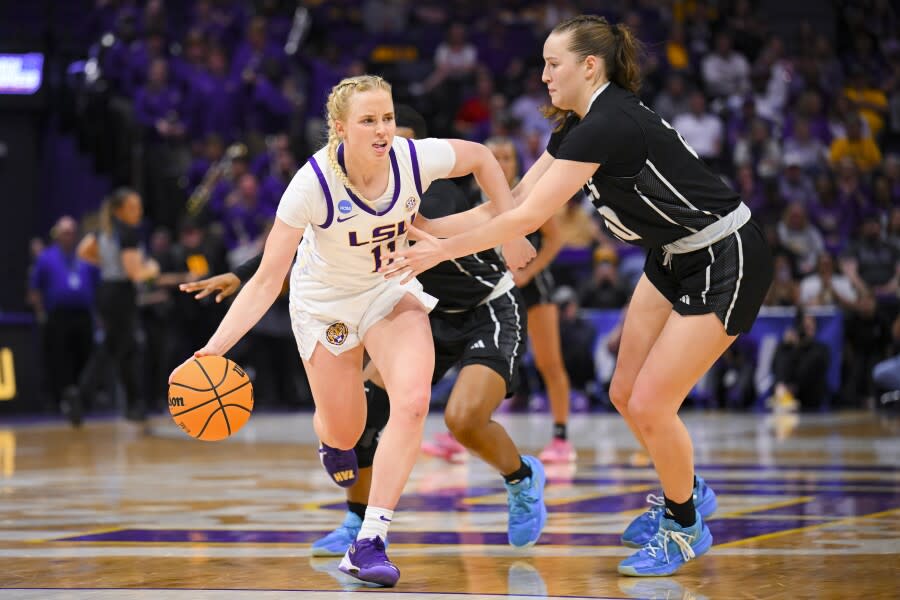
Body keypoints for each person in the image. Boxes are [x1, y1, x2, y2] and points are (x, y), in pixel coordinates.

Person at [382, 15, 773, 577]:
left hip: (725, 255)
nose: (542, 75)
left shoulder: (606, 123)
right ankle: (686, 487)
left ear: (590, 66)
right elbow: (511, 196)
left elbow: (531, 218)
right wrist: (428, 230)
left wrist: (438, 253)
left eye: (552, 63)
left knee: (650, 404)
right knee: (623, 390)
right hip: (672, 254)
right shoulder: (575, 124)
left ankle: (685, 524)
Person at [170, 76, 534, 588]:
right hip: (326, 308)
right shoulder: (312, 184)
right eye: (369, 121)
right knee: (345, 429)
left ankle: (370, 540)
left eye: (386, 118)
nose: (383, 129)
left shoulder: (412, 158)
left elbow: (480, 156)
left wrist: (513, 227)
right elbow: (268, 279)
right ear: (340, 129)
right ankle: (330, 439)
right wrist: (211, 352)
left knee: (411, 403)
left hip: (389, 291)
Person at [487, 136, 576, 464]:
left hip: (534, 288)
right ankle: (464, 431)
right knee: (482, 360)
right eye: (494, 156)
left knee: (549, 363)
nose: (500, 163)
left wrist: (528, 271)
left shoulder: (529, 194)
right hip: (495, 288)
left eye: (507, 156)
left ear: (516, 163)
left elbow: (555, 239)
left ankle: (561, 437)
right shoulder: (475, 198)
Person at [77, 188, 160, 423]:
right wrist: (152, 269)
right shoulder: (127, 233)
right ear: (120, 210)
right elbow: (135, 274)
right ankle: (124, 403)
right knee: (122, 349)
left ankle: (85, 398)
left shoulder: (103, 230)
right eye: (134, 207)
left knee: (119, 348)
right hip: (121, 294)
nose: (139, 211)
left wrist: (107, 263)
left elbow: (82, 251)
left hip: (106, 290)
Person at [27, 216, 99, 425]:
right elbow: (35, 289)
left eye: (72, 231)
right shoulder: (46, 257)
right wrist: (41, 313)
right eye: (65, 232)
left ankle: (82, 400)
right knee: (60, 359)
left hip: (83, 315)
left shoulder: (85, 258)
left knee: (85, 357)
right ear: (57, 234)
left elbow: (97, 285)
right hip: (58, 316)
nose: (69, 235)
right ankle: (64, 400)